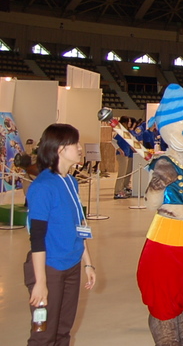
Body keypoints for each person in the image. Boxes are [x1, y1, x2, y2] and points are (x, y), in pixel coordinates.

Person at [24, 123, 97, 346]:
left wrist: (87, 263)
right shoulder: (43, 186)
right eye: (75, 143)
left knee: (64, 330)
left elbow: (78, 225)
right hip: (50, 268)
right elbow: (37, 237)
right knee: (44, 334)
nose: (80, 148)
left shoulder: (71, 182)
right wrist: (40, 282)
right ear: (60, 149)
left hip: (71, 264)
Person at [113, 116, 135, 199]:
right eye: (128, 122)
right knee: (122, 174)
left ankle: (124, 188)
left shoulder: (127, 132)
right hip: (122, 155)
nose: (130, 123)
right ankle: (117, 191)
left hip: (127, 154)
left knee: (126, 172)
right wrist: (119, 149)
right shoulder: (120, 132)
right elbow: (113, 141)